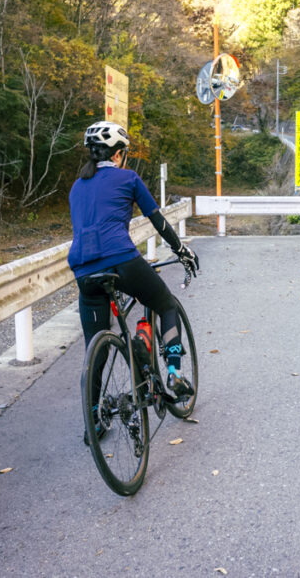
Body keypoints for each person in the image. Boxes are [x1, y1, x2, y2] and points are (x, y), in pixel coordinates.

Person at [67, 121, 199, 418]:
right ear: (118, 155)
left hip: (83, 272)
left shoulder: (77, 186)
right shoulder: (128, 178)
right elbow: (157, 220)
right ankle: (174, 374)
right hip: (122, 260)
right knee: (165, 303)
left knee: (95, 349)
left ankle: (95, 419)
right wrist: (181, 250)